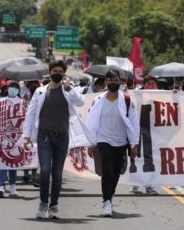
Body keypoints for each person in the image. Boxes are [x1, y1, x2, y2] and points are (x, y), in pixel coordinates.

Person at [22, 60, 85, 219]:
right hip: (44, 136)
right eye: (54, 71)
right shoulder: (41, 92)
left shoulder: (68, 90)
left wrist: (69, 87)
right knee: (45, 171)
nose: (57, 74)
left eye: (60, 71)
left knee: (57, 173)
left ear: (64, 73)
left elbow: (81, 102)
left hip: (62, 136)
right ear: (49, 73)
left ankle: (54, 205)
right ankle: (43, 203)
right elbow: (31, 114)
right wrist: (26, 136)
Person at [86, 70, 140, 217]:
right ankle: (106, 201)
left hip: (121, 142)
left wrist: (134, 144)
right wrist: (90, 143)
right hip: (103, 140)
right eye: (110, 80)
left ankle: (110, 195)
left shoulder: (127, 100)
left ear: (120, 81)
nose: (113, 83)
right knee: (107, 169)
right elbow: (91, 122)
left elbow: (134, 123)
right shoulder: (98, 100)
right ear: (106, 82)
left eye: (116, 80)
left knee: (116, 172)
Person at [0, 81, 24, 198]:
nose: (13, 89)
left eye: (16, 88)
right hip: (1, 136)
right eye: (11, 87)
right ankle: (1, 186)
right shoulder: (0, 101)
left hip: (17, 137)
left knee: (14, 161)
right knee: (2, 162)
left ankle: (13, 186)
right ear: (7, 89)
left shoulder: (22, 103)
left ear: (19, 91)